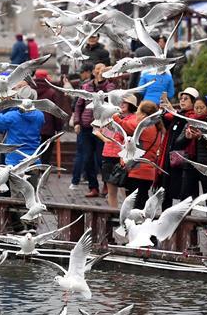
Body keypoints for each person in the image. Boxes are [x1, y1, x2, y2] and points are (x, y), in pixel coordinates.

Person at [71, 63, 116, 197]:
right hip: (86, 127)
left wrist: (106, 77)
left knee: (102, 158)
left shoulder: (110, 86)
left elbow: (111, 99)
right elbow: (78, 106)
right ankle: (93, 187)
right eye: (97, 69)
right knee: (87, 158)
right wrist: (77, 122)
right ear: (93, 71)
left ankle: (106, 185)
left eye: (102, 68)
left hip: (102, 128)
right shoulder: (86, 87)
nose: (99, 71)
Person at [115, 100, 164, 209]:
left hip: (138, 171)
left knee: (135, 206)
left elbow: (124, 125)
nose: (136, 113)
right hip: (148, 171)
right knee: (140, 202)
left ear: (144, 115)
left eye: (138, 110)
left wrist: (114, 115)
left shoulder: (146, 127)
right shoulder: (156, 128)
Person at [158, 87, 200, 207]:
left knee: (185, 193)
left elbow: (185, 121)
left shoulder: (193, 116)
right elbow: (167, 125)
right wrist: (164, 111)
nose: (182, 101)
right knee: (166, 192)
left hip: (185, 160)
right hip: (170, 158)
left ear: (193, 102)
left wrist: (171, 110)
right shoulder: (176, 115)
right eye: (181, 98)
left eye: (186, 99)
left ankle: (183, 222)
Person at [0, 84, 46, 165]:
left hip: (14, 160)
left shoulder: (13, 116)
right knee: (34, 177)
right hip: (33, 159)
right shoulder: (40, 116)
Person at [96, 94, 138, 207]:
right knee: (111, 190)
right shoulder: (111, 115)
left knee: (126, 191)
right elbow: (97, 130)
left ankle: (126, 217)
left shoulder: (134, 118)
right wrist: (106, 139)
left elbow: (130, 132)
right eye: (120, 102)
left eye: (125, 102)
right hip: (108, 154)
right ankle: (113, 214)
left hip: (124, 157)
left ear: (131, 105)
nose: (122, 104)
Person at [34, 70, 64, 164]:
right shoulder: (51, 92)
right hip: (48, 128)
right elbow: (56, 111)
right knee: (46, 151)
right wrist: (58, 127)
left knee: (34, 149)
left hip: (32, 127)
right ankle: (43, 171)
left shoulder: (30, 91)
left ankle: (33, 170)